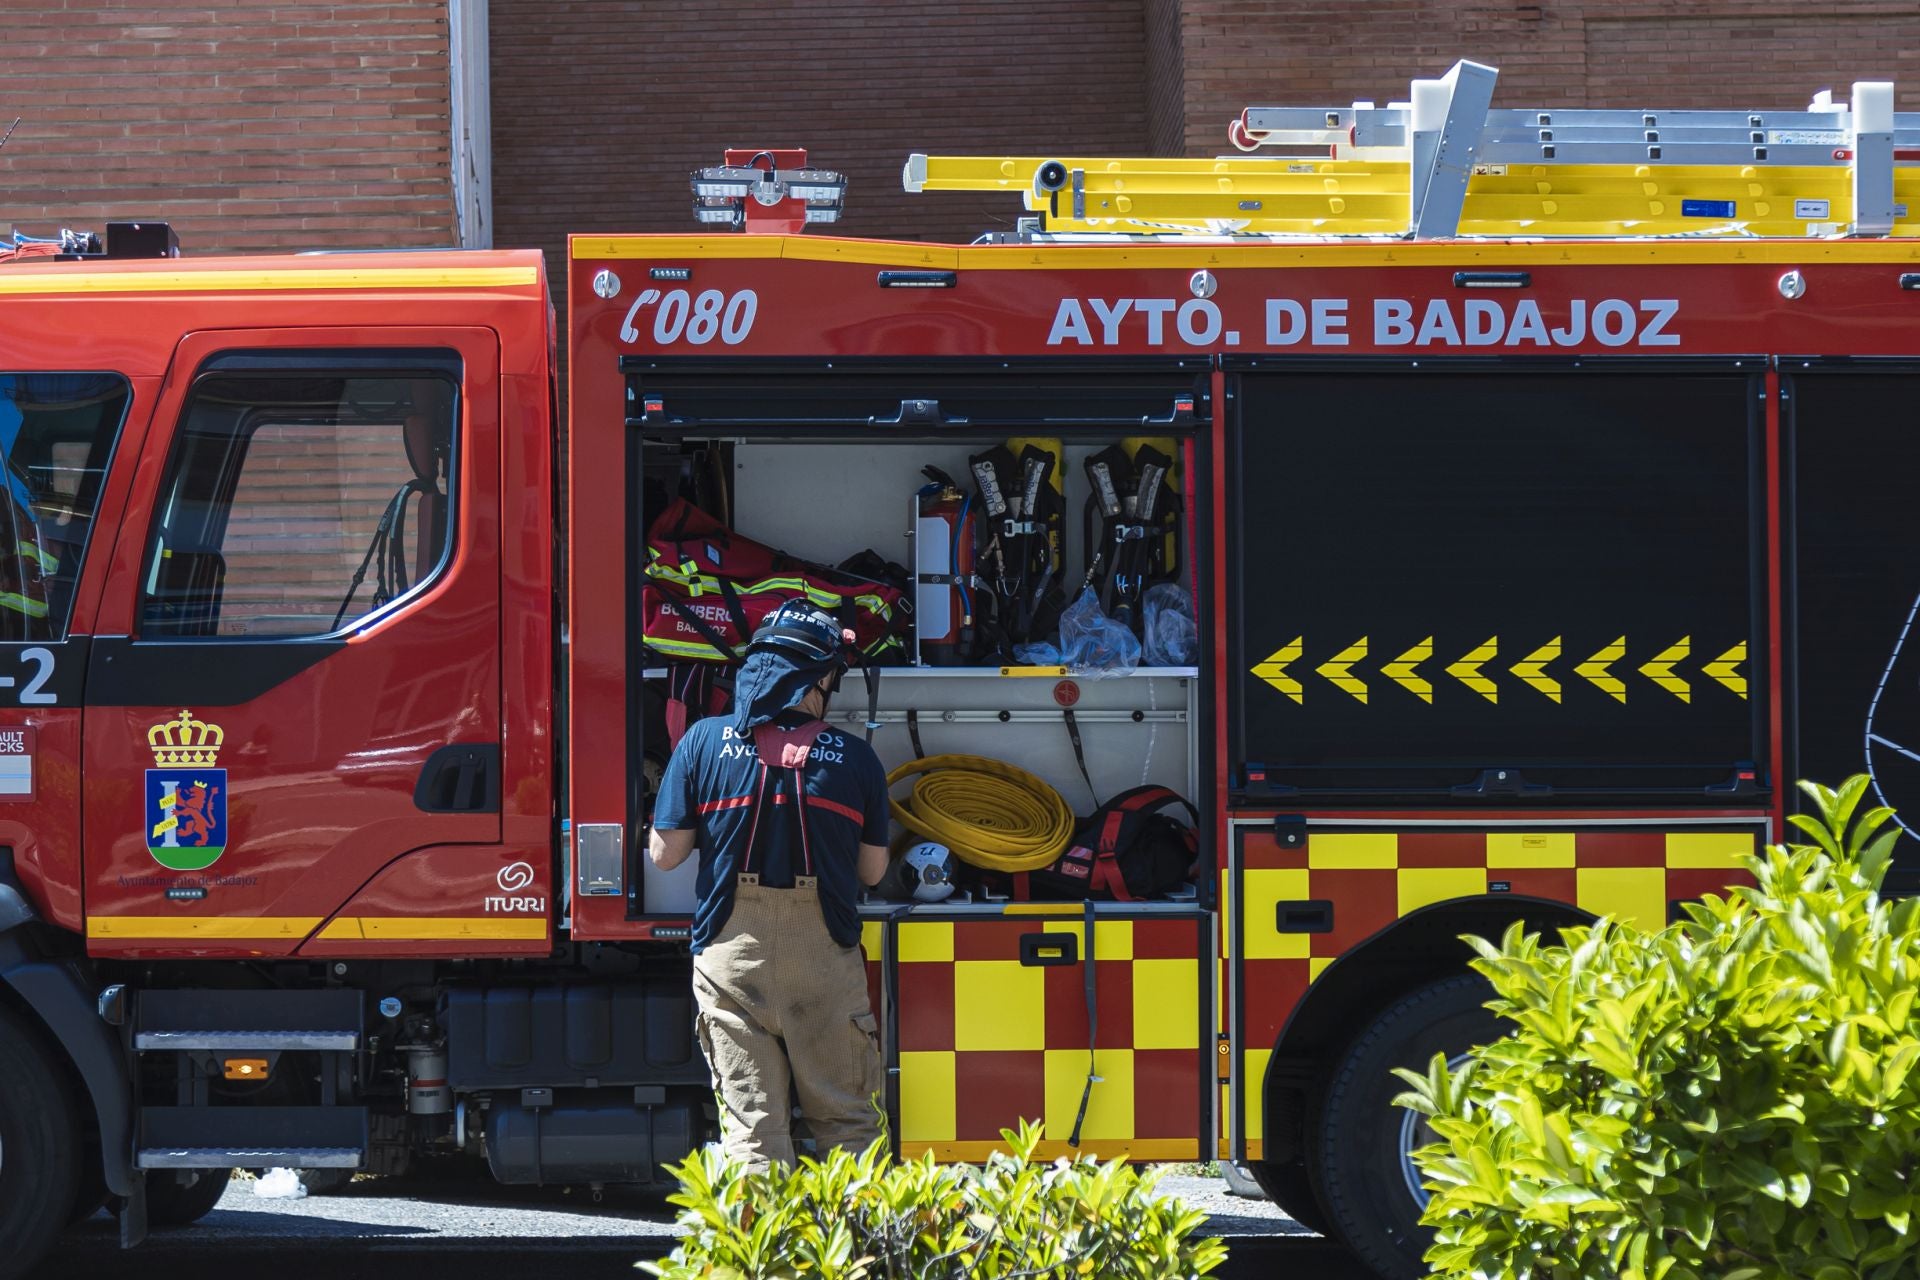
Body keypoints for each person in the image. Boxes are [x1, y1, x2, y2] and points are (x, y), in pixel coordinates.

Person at [648, 601, 890, 1170]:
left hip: (733, 961)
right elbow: (872, 872)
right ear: (822, 679)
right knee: (850, 1125)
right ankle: (855, 1257)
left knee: (752, 1131)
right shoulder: (856, 758)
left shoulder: (703, 742)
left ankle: (762, 1259)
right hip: (824, 961)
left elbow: (666, 857)